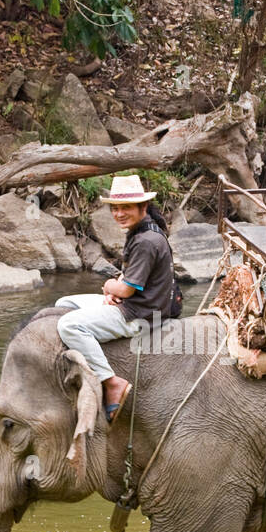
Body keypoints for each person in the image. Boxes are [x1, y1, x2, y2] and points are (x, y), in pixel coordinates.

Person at [55, 174, 176, 423]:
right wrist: (114, 291)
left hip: (140, 314)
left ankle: (111, 381)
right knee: (63, 304)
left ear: (143, 207)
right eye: (116, 208)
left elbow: (127, 289)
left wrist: (110, 286)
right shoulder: (141, 231)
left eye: (126, 208)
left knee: (68, 324)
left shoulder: (147, 241)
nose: (119, 213)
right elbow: (129, 280)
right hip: (134, 303)